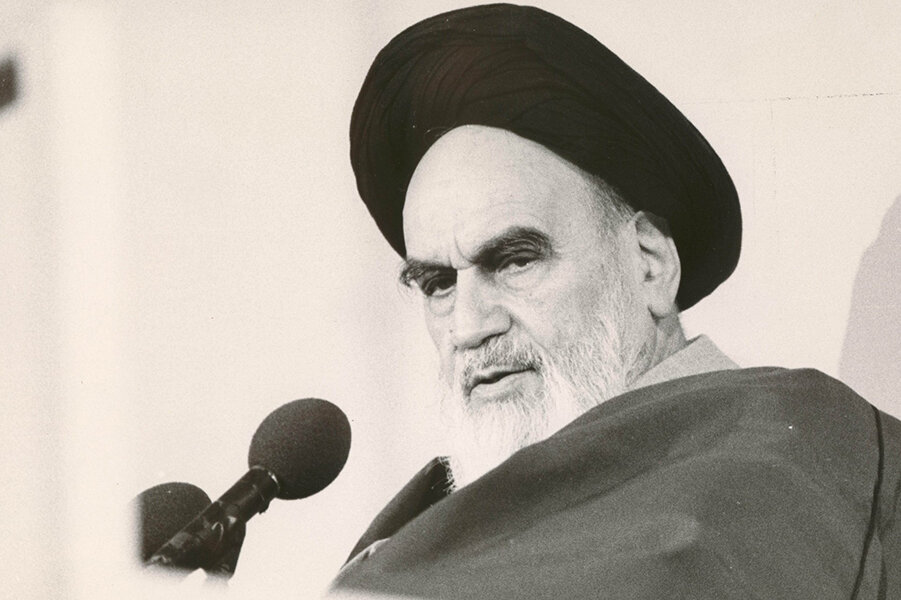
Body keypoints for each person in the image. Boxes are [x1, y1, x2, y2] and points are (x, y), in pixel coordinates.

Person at [331, 5, 901, 599]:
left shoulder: (794, 464)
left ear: (650, 263)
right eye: (439, 285)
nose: (469, 326)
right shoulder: (434, 529)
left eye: (515, 261)